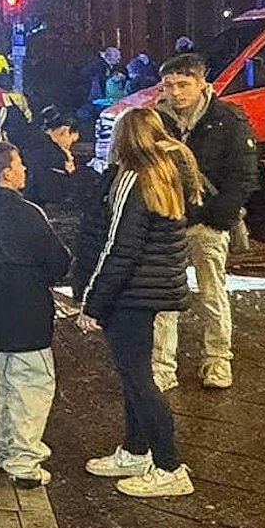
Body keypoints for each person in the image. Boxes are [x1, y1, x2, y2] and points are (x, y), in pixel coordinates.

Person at [69, 106, 201, 499]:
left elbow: (119, 248)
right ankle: (135, 450)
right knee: (135, 376)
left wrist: (93, 303)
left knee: (139, 381)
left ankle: (169, 466)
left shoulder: (133, 179)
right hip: (151, 289)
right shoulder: (166, 172)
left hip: (130, 293)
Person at [0, 141, 71, 488]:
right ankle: (23, 463)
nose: (24, 169)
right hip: (26, 317)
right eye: (19, 163)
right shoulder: (28, 214)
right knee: (30, 389)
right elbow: (57, 262)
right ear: (7, 173)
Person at [154, 51, 261, 391]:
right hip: (168, 222)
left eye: (183, 84)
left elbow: (244, 175)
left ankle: (218, 359)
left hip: (207, 224)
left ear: (202, 84)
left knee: (212, 293)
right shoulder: (156, 119)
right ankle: (162, 366)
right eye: (169, 85)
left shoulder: (227, 119)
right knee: (164, 299)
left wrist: (218, 218)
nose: (175, 92)